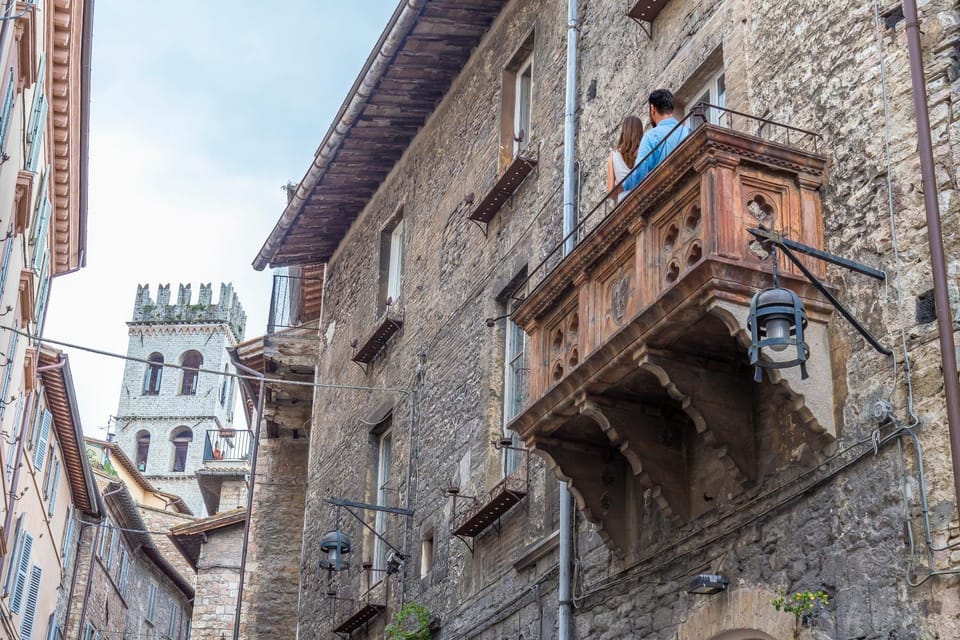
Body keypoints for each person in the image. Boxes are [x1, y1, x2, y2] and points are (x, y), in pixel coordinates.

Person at [622, 89, 691, 192]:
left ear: (652, 108)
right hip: (688, 189)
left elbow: (640, 172)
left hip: (665, 195)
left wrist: (625, 185)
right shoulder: (687, 131)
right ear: (671, 108)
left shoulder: (651, 137)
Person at [607, 116, 644, 204]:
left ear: (624, 132)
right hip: (642, 197)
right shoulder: (644, 150)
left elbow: (611, 192)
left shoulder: (612, 156)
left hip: (623, 203)